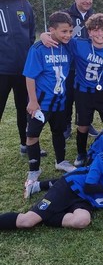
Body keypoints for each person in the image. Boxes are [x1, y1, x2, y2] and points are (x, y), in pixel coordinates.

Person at [0, 129, 103, 230]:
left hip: (86, 200)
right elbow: (88, 187)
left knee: (82, 221)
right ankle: (41, 214)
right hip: (70, 188)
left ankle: (46, 215)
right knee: (27, 221)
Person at [23, 11, 76, 194]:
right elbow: (30, 76)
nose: (67, 35)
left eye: (70, 31)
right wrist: (32, 101)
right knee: (32, 135)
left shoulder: (68, 46)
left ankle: (60, 161)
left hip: (60, 102)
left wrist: (56, 36)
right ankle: (34, 170)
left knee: (59, 131)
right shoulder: (38, 49)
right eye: (63, 31)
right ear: (51, 30)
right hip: (41, 104)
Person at [0, 0, 46, 156]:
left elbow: (30, 34)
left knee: (24, 109)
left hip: (24, 70)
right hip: (1, 71)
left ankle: (25, 144)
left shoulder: (23, 2)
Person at [68, 13, 103, 167]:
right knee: (83, 124)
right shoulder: (79, 44)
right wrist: (45, 35)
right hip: (83, 91)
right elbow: (62, 38)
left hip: (102, 91)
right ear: (89, 32)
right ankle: (81, 153)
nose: (100, 34)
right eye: (95, 30)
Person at [62, 0, 98, 139]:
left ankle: (85, 123)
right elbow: (55, 35)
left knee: (85, 98)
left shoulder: (95, 17)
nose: (87, 1)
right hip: (68, 66)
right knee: (68, 96)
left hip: (87, 67)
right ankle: (66, 125)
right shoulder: (65, 16)